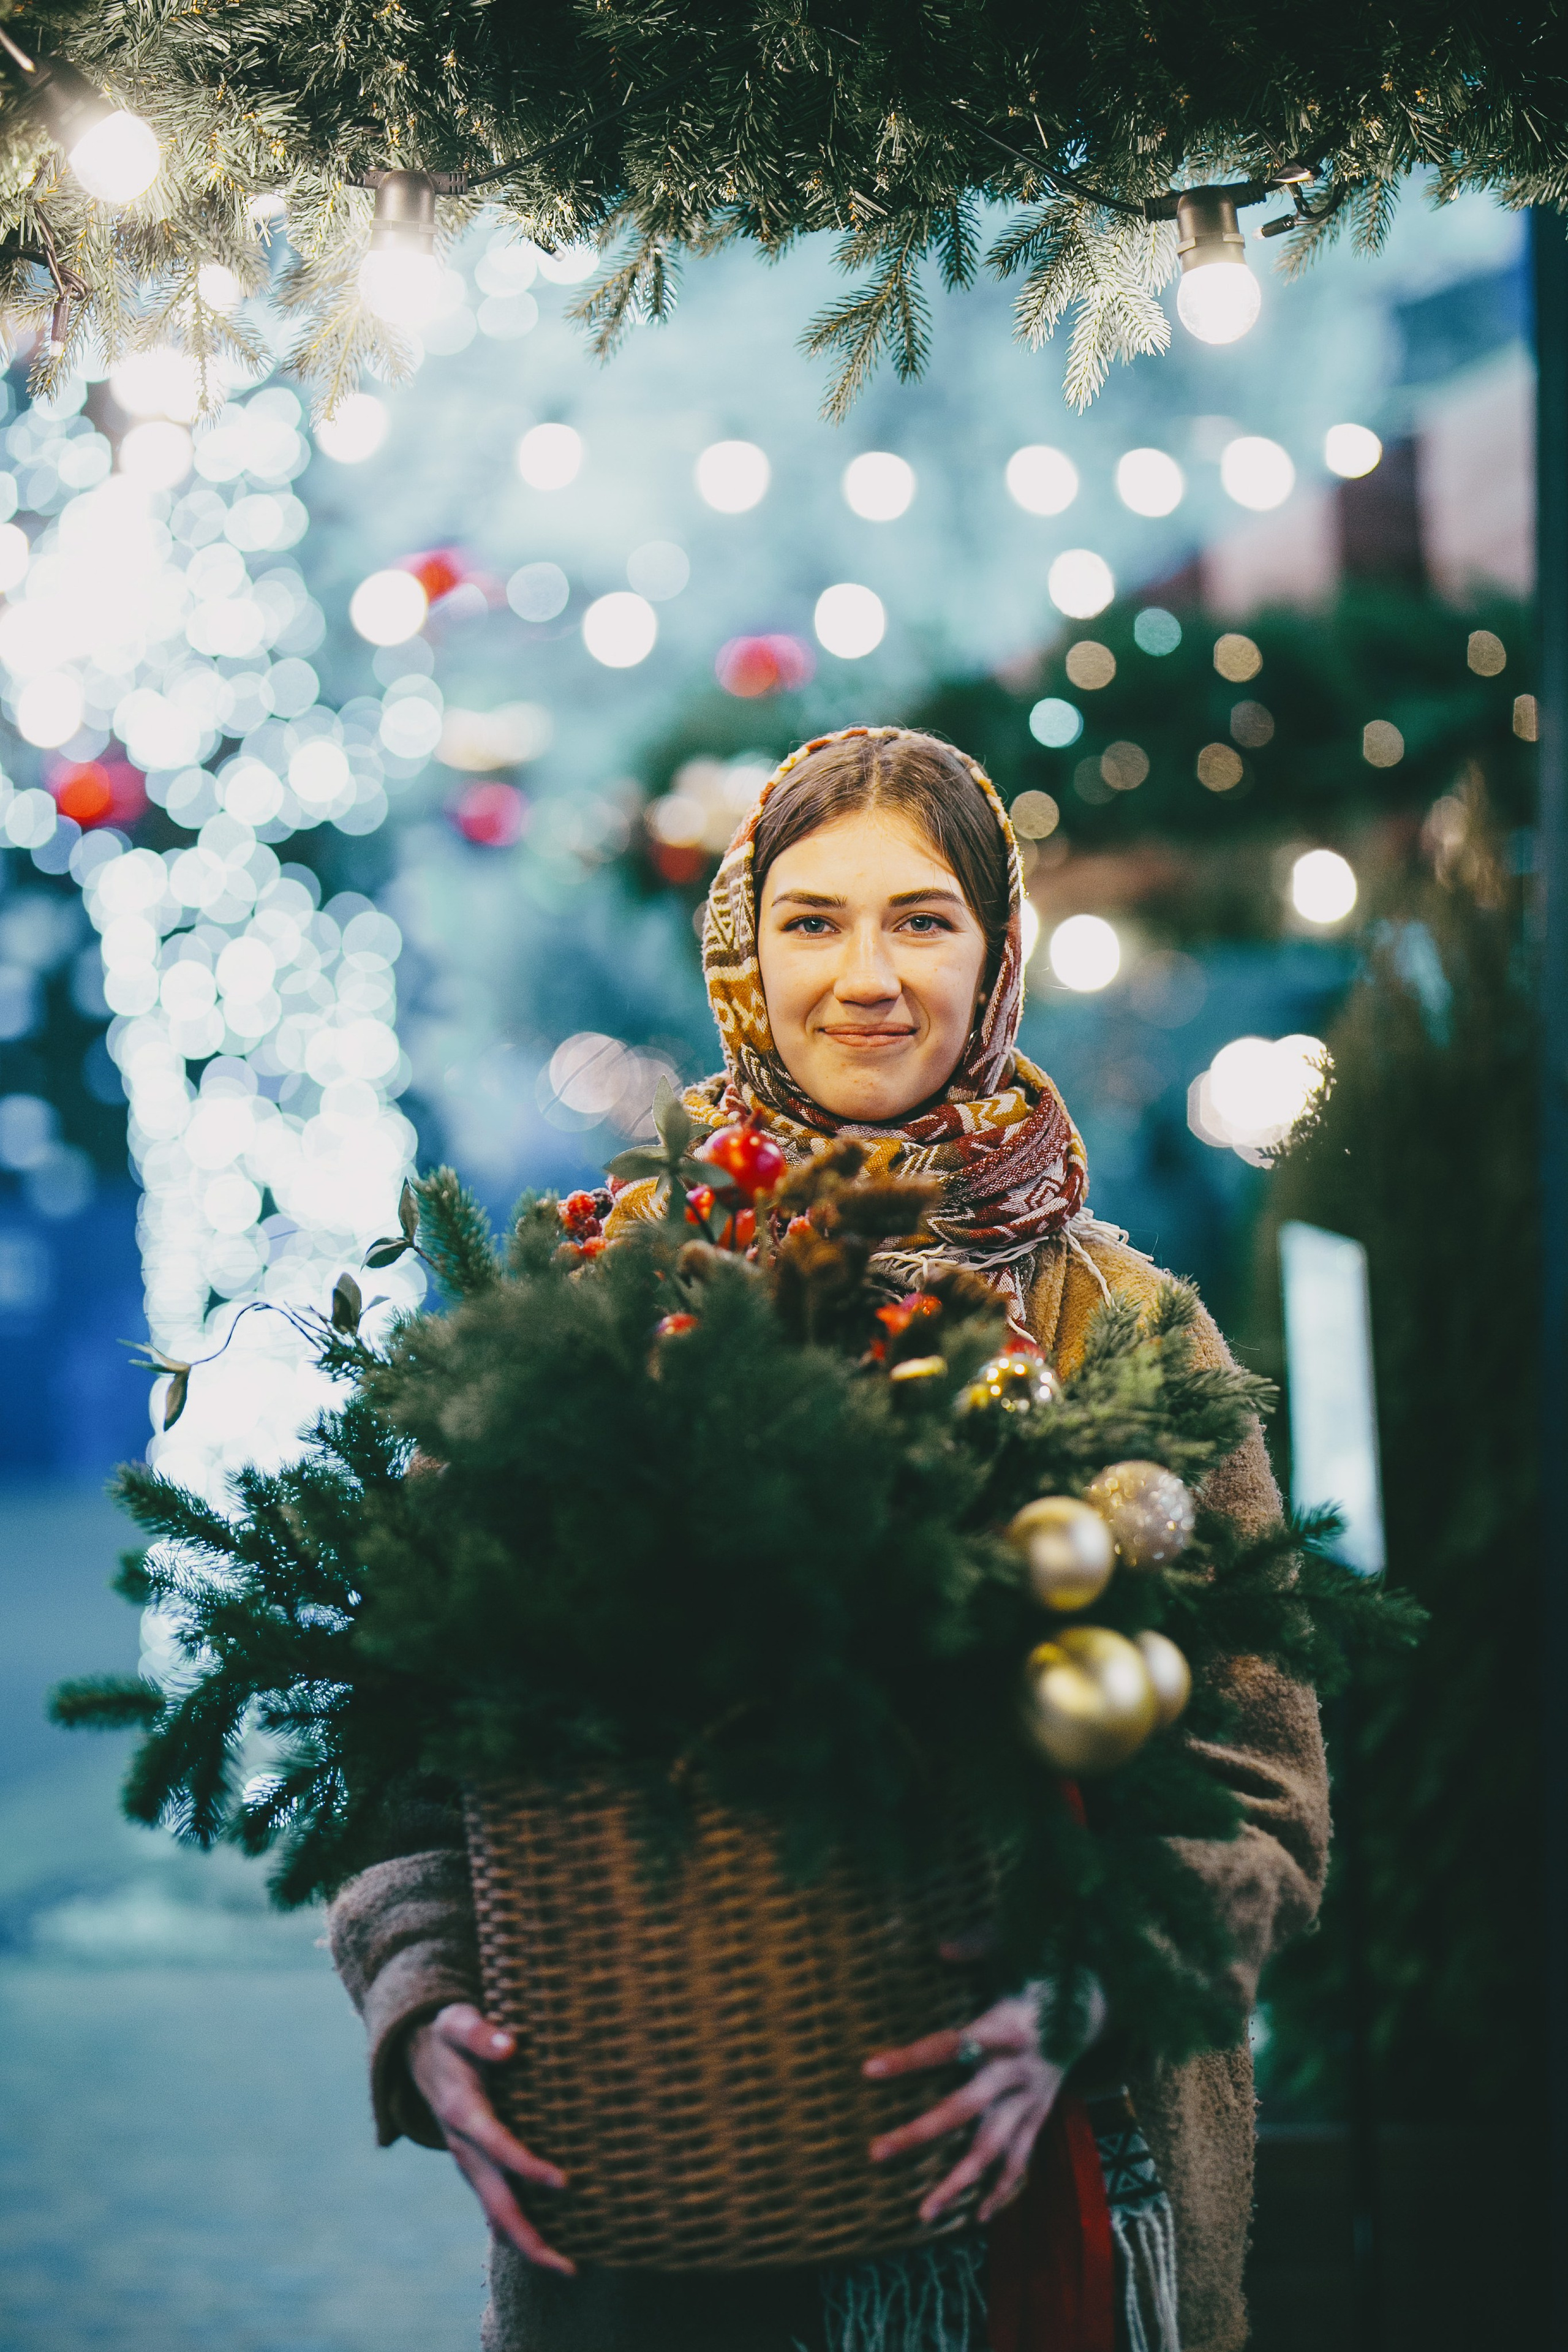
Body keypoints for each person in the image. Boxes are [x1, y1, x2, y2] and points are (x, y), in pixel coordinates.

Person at [328, 726, 1330, 2352]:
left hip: (1069, 2186)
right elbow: (414, 1732)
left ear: (997, 952)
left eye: (922, 919)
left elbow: (1263, 1788)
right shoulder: (605, 1299)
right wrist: (424, 1997)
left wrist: (1103, 1984)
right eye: (812, 921)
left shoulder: (1128, 1331)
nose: (866, 975)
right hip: (664, 2226)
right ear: (742, 953)